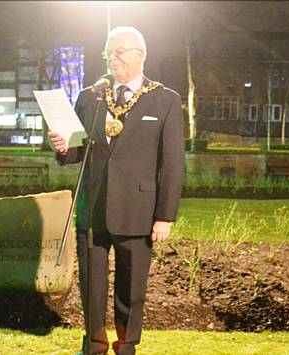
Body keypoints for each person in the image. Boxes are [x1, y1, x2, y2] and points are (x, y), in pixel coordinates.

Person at [49, 26, 185, 355]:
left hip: (138, 212)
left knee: (131, 289)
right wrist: (64, 147)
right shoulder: (90, 96)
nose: (113, 58)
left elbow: (172, 164)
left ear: (141, 55)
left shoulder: (165, 99)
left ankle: (126, 346)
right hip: (93, 209)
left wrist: (164, 216)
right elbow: (78, 153)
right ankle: (94, 346)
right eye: (109, 53)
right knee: (92, 289)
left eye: (120, 52)